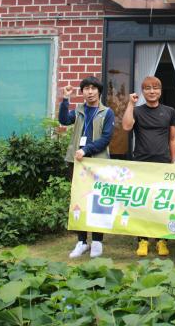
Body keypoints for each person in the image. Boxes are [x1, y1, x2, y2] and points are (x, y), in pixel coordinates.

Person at [59, 76, 115, 259]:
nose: (90, 92)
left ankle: (97, 241)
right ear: (82, 92)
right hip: (77, 162)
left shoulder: (107, 113)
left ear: (99, 91)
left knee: (98, 201)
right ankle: (82, 241)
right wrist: (65, 99)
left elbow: (106, 138)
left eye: (93, 88)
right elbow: (63, 120)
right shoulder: (78, 111)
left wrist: (86, 149)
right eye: (86, 89)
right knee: (79, 200)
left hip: (98, 162)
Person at [122, 76, 175, 257]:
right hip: (141, 163)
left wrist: (174, 161)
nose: (152, 91)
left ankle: (161, 240)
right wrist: (130, 104)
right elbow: (126, 126)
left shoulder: (169, 111)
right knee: (142, 203)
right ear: (143, 91)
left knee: (162, 202)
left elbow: (172, 138)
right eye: (147, 88)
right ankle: (143, 240)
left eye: (155, 88)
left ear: (160, 91)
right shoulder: (137, 111)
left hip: (163, 163)